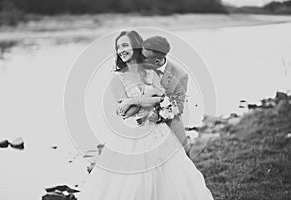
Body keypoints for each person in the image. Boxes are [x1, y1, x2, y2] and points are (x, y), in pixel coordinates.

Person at [79, 30, 214, 200]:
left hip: (157, 132)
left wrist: (131, 101)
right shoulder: (116, 78)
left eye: (125, 45)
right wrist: (140, 101)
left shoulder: (152, 72)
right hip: (129, 136)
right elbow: (128, 113)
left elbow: (159, 98)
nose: (121, 50)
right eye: (118, 47)